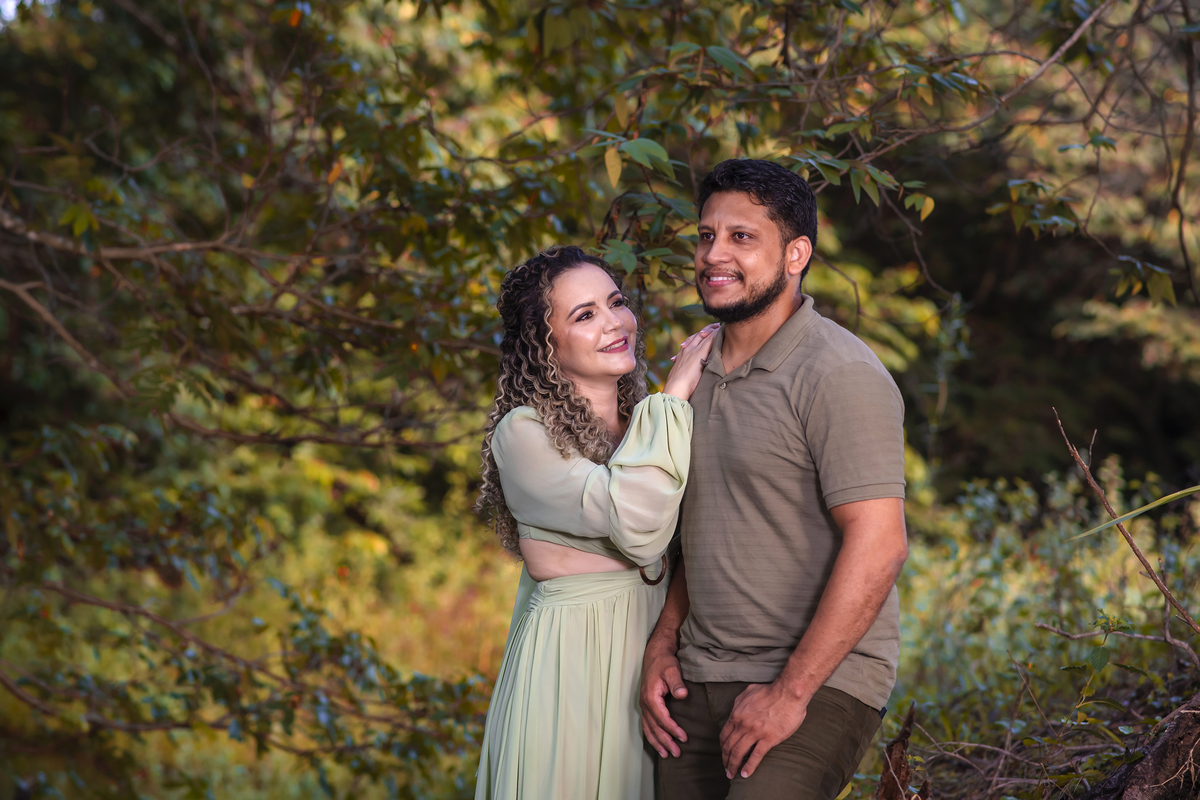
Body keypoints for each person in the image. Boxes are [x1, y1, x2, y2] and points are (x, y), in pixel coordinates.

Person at [639, 159, 910, 800]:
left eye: (741, 237)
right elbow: (701, 531)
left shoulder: (839, 373)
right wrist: (661, 644)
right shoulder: (692, 373)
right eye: (706, 236)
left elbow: (880, 544)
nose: (714, 254)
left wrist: (789, 693)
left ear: (796, 254)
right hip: (695, 680)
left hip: (816, 683)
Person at [473, 245, 717, 800]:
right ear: (544, 345)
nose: (615, 323)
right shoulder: (524, 433)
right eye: (584, 315)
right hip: (572, 662)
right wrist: (674, 393)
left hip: (657, 651)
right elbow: (641, 527)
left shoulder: (647, 424)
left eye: (616, 302)